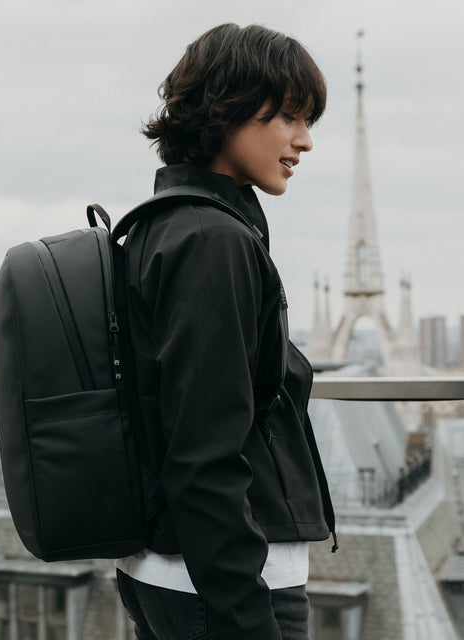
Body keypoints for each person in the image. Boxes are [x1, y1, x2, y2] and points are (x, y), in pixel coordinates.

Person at [116, 23, 336, 640]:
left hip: (176, 571)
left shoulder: (168, 225)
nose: (305, 141)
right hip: (225, 584)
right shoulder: (213, 241)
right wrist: (245, 613)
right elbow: (205, 450)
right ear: (229, 109)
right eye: (291, 116)